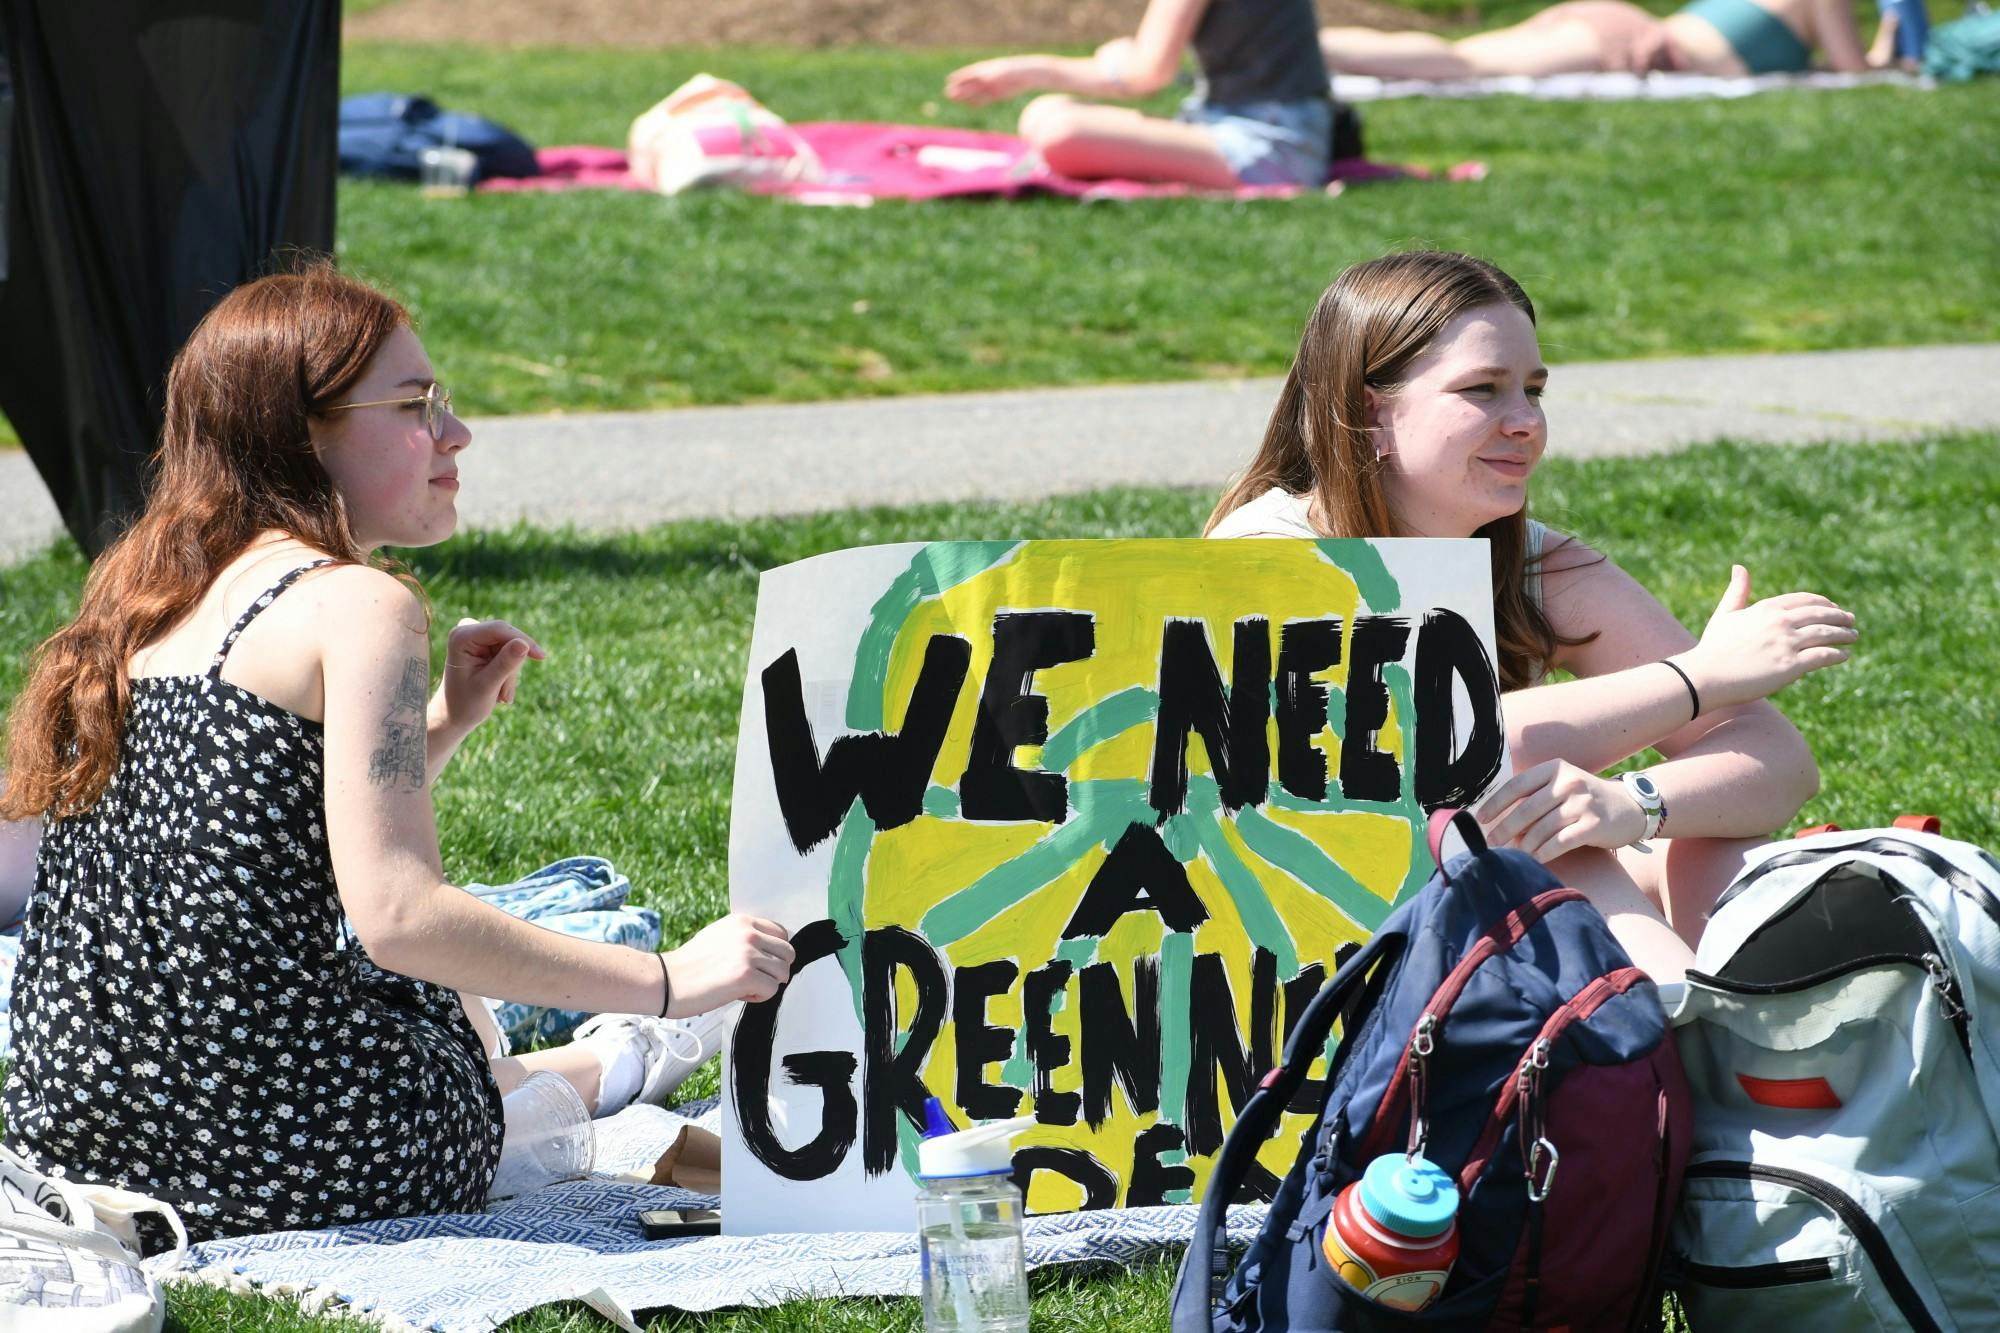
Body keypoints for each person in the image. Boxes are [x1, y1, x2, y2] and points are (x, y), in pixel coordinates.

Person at [0, 264, 794, 1241]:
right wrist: (677, 972)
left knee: (406, 1020)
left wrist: (445, 722)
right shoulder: (360, 602)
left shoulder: (147, 596)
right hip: (268, 1167)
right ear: (305, 430)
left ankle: (622, 1054)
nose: (456, 435)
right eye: (417, 404)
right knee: (432, 994)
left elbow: (242, 815)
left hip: (78, 1142)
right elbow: (400, 916)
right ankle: (636, 1047)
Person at [1207, 250, 1858, 982]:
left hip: (1476, 896)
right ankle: (1685, 1049)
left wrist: (1632, 802)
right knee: (1546, 821)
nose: (1525, 422)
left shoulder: (1530, 560)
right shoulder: (1268, 552)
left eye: (1533, 389)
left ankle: (1728, 1056)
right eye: (1483, 389)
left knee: (1697, 841)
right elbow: (1445, 758)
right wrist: (1698, 676)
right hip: (1300, 948)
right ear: (1371, 412)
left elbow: (1780, 762)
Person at [945, 0, 1333, 188]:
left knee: (1060, 130)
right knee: (1044, 113)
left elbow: (1146, 76)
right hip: (1246, 122)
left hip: (1272, 146)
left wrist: (1026, 71)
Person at [1318, 0, 1897, 80]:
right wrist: (1890, 36)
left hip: (1620, 28)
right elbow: (1853, 71)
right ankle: (1309, 46)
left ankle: (1314, 46)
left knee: (1467, 55)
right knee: (1464, 60)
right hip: (1632, 44)